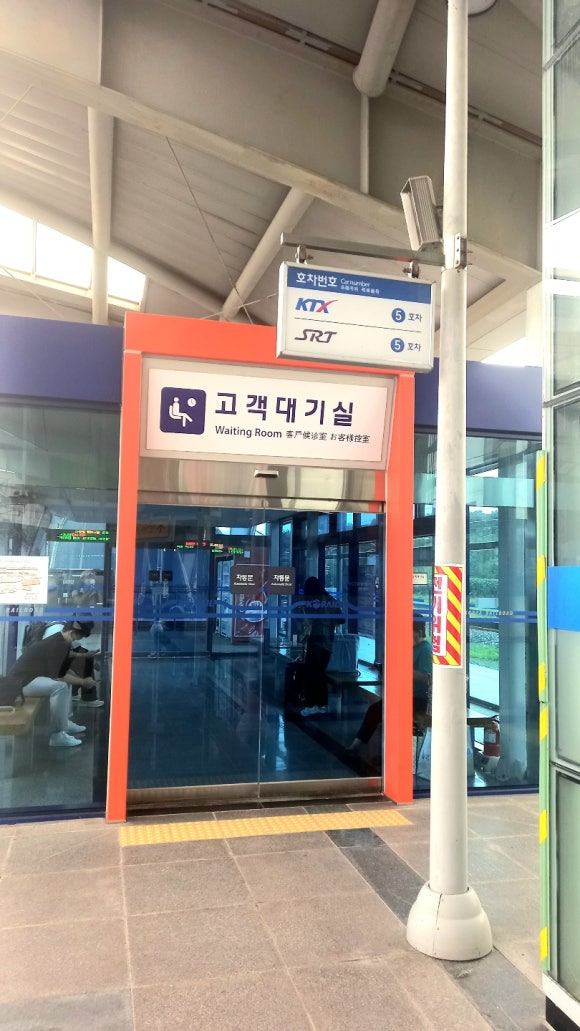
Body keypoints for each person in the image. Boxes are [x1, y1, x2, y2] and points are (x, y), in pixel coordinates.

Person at [0, 620, 96, 748]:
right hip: (20, 684)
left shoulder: (61, 641)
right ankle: (57, 735)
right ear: (72, 633)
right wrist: (83, 681)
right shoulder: (58, 644)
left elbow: (64, 668)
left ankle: (64, 723)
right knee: (60, 686)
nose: (79, 640)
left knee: (66, 684)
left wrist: (79, 679)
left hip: (27, 679)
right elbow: (60, 676)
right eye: (79, 637)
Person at [348, 615, 432, 751]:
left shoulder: (425, 650)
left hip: (418, 699)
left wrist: (403, 669)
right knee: (375, 710)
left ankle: (358, 747)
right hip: (405, 696)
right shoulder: (410, 648)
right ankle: (357, 746)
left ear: (419, 633)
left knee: (377, 711)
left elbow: (426, 677)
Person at [295, 576, 344, 717]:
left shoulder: (313, 602)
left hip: (316, 641)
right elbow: (341, 619)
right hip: (328, 644)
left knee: (312, 675)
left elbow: (307, 620)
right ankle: (321, 704)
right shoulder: (331, 600)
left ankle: (313, 704)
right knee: (320, 674)